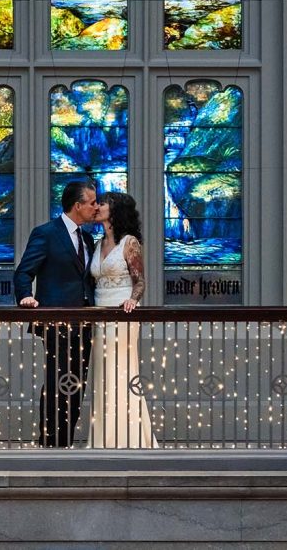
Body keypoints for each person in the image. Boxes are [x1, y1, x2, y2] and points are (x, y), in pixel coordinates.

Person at [13, 179, 99, 448]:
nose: (96, 208)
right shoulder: (47, 233)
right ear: (78, 205)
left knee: (77, 381)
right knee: (58, 378)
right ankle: (50, 439)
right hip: (55, 320)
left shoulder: (87, 238)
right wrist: (26, 296)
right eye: (92, 202)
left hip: (85, 320)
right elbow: (24, 271)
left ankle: (67, 438)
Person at [86, 191, 158, 448]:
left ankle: (129, 437)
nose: (97, 207)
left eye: (102, 203)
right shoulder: (97, 244)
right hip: (99, 312)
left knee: (122, 371)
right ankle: (103, 438)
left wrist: (133, 300)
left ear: (115, 210)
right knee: (103, 374)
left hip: (122, 312)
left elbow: (140, 280)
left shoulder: (130, 243)